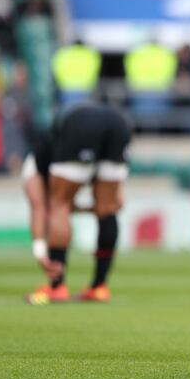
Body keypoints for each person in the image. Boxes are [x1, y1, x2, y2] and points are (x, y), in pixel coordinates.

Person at [23, 103, 132, 305]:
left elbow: (40, 208)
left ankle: (57, 287)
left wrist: (40, 252)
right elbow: (116, 203)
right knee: (105, 209)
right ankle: (99, 287)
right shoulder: (53, 158)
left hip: (81, 126)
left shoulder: (32, 168)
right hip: (118, 122)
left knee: (59, 205)